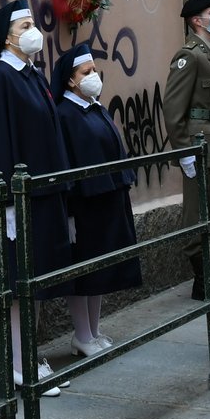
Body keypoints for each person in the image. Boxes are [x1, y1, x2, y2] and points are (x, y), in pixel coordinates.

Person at [0, 0, 72, 395]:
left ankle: (30, 353)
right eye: (24, 27)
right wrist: (7, 203)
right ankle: (19, 364)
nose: (34, 33)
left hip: (43, 197)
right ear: (6, 39)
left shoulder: (32, 74)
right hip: (19, 202)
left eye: (32, 25)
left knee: (36, 281)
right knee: (17, 282)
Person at [54, 44, 143, 357]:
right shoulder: (64, 114)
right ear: (70, 80)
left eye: (94, 70)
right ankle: (81, 334)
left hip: (108, 198)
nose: (94, 76)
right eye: (86, 72)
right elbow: (64, 163)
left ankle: (94, 331)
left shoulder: (95, 107)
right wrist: (67, 213)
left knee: (101, 268)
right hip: (83, 204)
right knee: (83, 271)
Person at [161, 0, 210, 305]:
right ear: (197, 21)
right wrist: (183, 152)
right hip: (199, 147)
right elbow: (173, 109)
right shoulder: (189, 56)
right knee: (198, 216)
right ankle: (202, 280)